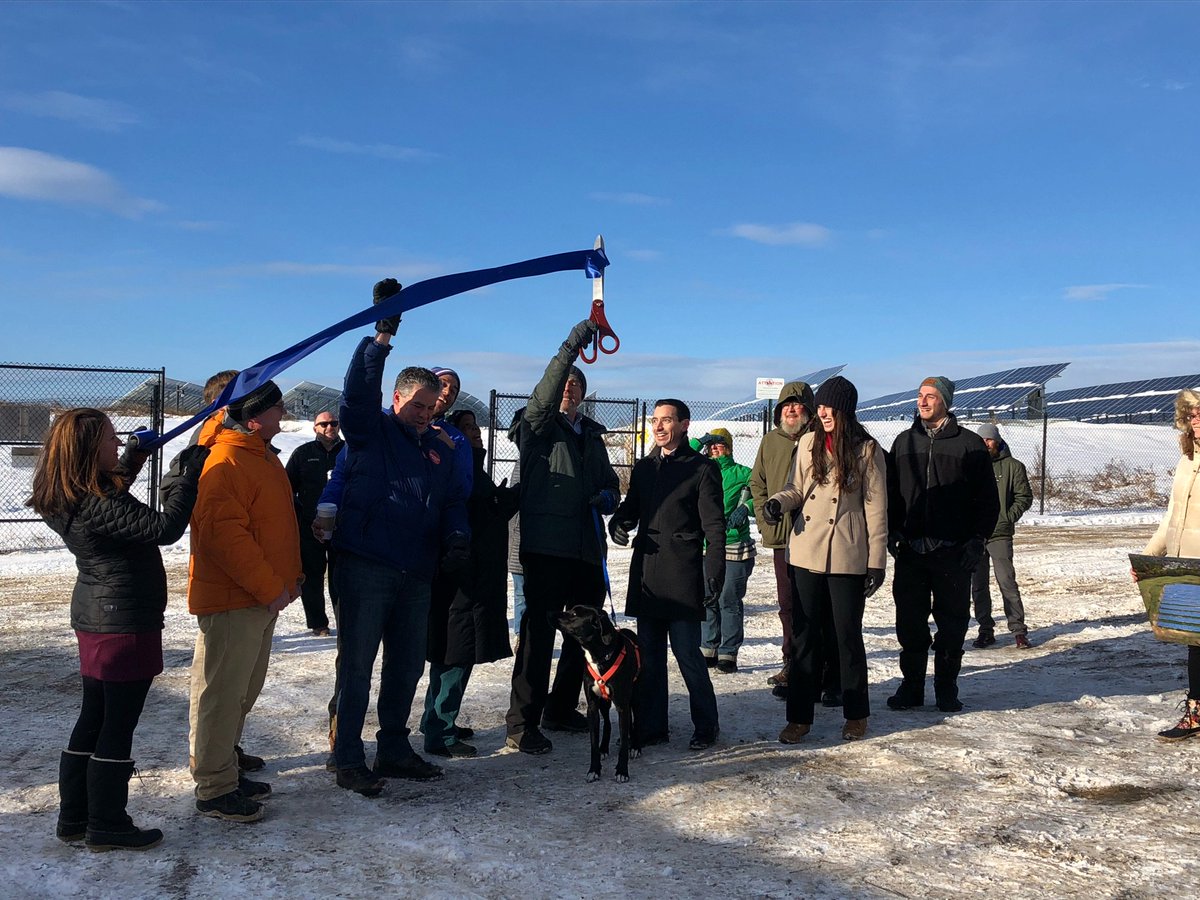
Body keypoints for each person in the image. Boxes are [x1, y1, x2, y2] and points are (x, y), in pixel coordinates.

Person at [29, 410, 207, 851]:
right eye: (112, 439)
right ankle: (107, 822)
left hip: (97, 618)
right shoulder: (97, 502)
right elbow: (164, 529)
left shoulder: (70, 493)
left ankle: (75, 817)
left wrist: (134, 457)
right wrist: (185, 478)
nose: (117, 443)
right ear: (91, 450)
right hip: (122, 622)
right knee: (117, 724)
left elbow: (109, 500)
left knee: (95, 716)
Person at [330, 279, 469, 795]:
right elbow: (355, 397)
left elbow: (452, 499)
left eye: (432, 407)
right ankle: (346, 756)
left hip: (417, 570)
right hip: (367, 563)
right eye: (417, 405)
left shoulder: (439, 447)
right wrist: (381, 337)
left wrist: (457, 535)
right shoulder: (371, 431)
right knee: (358, 666)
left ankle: (392, 748)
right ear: (398, 398)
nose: (426, 414)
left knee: (406, 666)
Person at [187, 379, 302, 823]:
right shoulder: (227, 459)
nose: (284, 412)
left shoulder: (257, 456)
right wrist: (269, 586)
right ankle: (215, 787)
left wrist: (287, 579)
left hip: (258, 598)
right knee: (222, 694)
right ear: (254, 418)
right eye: (276, 407)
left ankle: (225, 768)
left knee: (241, 693)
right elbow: (224, 536)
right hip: (236, 599)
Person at [504, 319, 621, 756]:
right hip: (547, 548)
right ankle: (522, 723)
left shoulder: (591, 436)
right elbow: (545, 394)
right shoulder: (536, 428)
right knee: (538, 639)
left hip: (587, 551)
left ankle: (560, 707)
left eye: (576, 384)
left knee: (585, 635)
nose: (568, 388)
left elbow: (610, 483)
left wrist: (607, 497)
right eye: (563, 384)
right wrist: (573, 347)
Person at [762, 376, 887, 743]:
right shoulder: (807, 442)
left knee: (847, 637)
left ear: (845, 410)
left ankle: (856, 714)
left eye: (830, 408)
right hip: (805, 551)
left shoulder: (866, 450)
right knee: (804, 638)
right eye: (821, 408)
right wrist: (777, 503)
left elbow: (876, 510)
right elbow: (796, 488)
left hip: (847, 556)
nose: (823, 413)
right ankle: (799, 718)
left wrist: (876, 561)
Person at [609, 399, 725, 750]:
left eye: (666, 421)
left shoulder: (703, 469)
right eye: (655, 421)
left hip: (683, 575)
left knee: (689, 655)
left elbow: (714, 528)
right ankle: (652, 725)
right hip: (648, 572)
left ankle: (706, 725)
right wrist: (618, 523)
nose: (658, 427)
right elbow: (631, 509)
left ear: (685, 424)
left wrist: (714, 572)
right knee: (650, 657)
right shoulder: (645, 467)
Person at [886, 376, 999, 713]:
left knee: (952, 624)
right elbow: (890, 495)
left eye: (931, 396)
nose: (923, 402)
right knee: (910, 623)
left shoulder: (969, 445)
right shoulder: (903, 442)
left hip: (953, 551)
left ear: (945, 402)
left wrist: (977, 539)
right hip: (911, 550)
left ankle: (947, 687)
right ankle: (912, 687)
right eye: (920, 395)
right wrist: (893, 531)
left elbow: (987, 500)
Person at [420, 409, 519, 758]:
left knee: (458, 653)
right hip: (462, 580)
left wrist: (504, 500)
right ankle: (439, 730)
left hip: (479, 578)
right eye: (465, 429)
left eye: (475, 428)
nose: (474, 434)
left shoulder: (475, 470)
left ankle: (438, 719)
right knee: (455, 654)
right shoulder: (457, 473)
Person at [750, 380, 841, 703]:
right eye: (786, 405)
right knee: (788, 605)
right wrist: (764, 519)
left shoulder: (821, 441)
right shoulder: (770, 442)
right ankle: (793, 663)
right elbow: (757, 483)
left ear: (809, 410)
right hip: (780, 538)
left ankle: (827, 670)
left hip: (816, 538)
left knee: (820, 606)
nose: (791, 409)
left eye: (798, 404)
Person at [1139, 388, 1200, 742]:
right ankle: (1195, 714)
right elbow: (1172, 516)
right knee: (1195, 641)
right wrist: (1152, 556)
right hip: (1187, 565)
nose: (1195, 421)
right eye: (1191, 415)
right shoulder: (1186, 459)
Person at [970, 423, 1034, 650]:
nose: (986, 444)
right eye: (982, 440)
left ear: (997, 441)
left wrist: (1008, 517)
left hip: (999, 533)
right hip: (975, 535)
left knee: (1006, 582)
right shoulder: (971, 466)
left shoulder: (1013, 467)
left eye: (989, 440)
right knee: (978, 586)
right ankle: (985, 630)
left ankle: (1018, 630)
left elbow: (1024, 496)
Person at [698, 428, 756, 674]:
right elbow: (681, 456)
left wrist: (747, 508)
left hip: (734, 545)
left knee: (728, 599)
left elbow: (764, 493)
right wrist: (699, 441)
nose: (714, 449)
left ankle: (728, 652)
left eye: (719, 444)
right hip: (707, 545)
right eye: (711, 445)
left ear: (729, 447)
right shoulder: (700, 470)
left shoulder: (743, 473)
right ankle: (707, 648)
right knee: (708, 597)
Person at [285, 410, 344, 636]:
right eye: (324, 424)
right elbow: (288, 487)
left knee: (340, 577)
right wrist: (300, 515)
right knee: (312, 576)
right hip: (310, 526)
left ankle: (345, 621)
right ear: (315, 428)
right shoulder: (303, 453)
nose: (329, 427)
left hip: (342, 527)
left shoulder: (348, 451)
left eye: (334, 423)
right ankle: (318, 623)